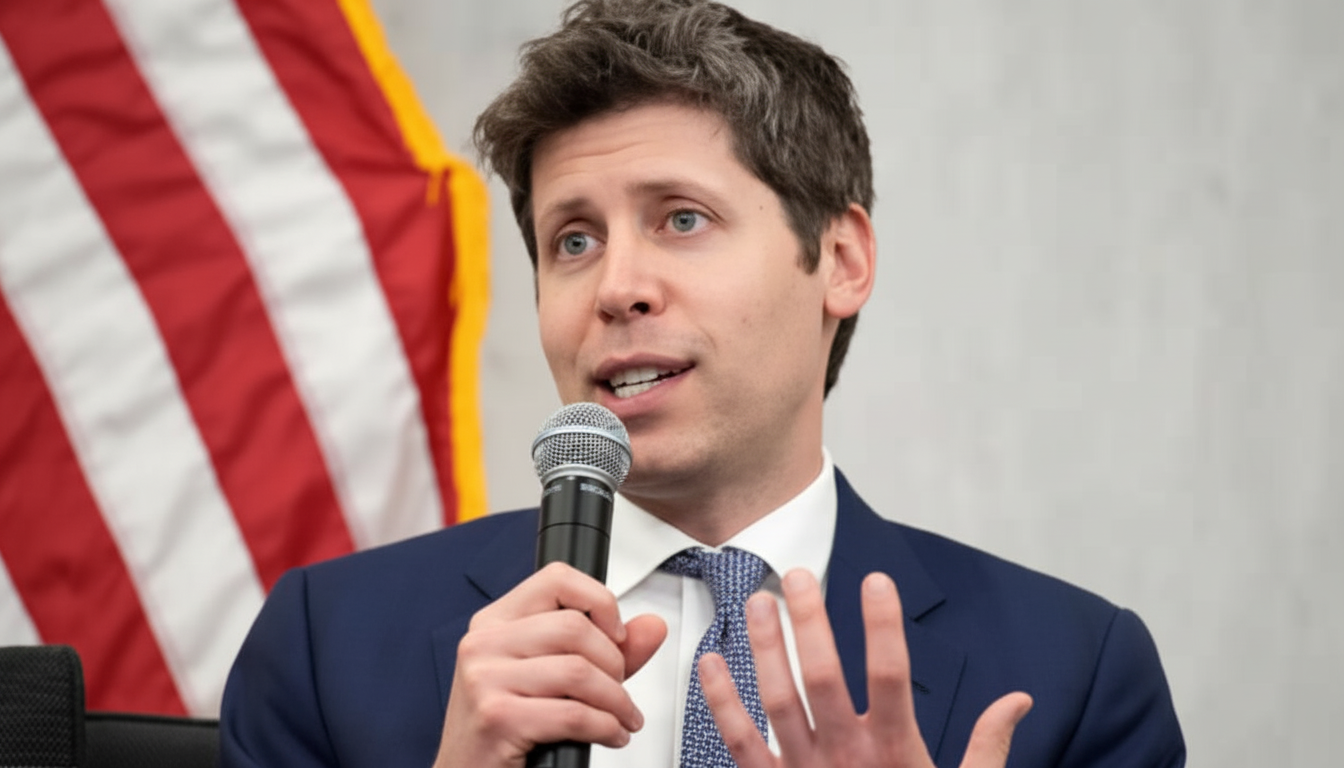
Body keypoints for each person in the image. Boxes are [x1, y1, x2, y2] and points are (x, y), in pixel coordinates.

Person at [218, 1, 1186, 767]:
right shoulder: (323, 648)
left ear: (841, 260)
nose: (617, 288)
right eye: (574, 240)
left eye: (682, 219)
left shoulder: (1077, 676)